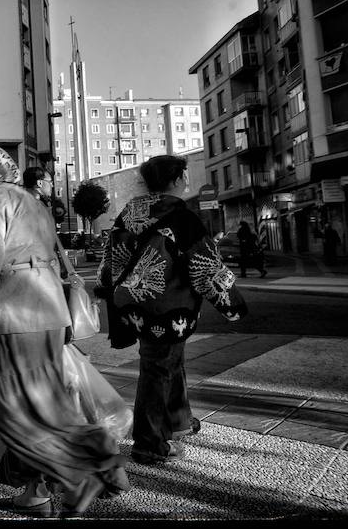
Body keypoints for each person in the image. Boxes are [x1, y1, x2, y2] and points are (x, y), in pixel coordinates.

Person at [0, 144, 129, 518]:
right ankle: (62, 479)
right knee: (44, 402)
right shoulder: (34, 204)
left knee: (2, 403)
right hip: (50, 313)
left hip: (16, 314)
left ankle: (82, 468)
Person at [96, 155, 247, 465]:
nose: (186, 182)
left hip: (133, 306)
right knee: (158, 367)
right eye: (184, 177)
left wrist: (112, 290)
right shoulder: (183, 218)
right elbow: (207, 269)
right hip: (168, 309)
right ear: (177, 180)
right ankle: (149, 443)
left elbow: (109, 260)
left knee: (169, 361)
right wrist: (233, 305)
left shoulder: (128, 214)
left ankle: (178, 420)